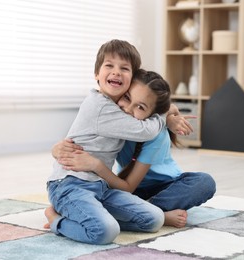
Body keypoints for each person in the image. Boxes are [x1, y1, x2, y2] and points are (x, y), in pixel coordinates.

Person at [45, 40, 169, 245]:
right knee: (104, 232)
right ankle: (55, 219)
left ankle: (89, 215)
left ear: (133, 79)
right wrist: (165, 111)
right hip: (69, 185)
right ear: (96, 74)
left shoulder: (117, 108)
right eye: (109, 65)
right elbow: (145, 130)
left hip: (100, 186)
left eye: (124, 68)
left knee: (154, 219)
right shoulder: (101, 107)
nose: (116, 72)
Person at [52, 76, 216, 229]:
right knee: (97, 191)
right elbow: (85, 139)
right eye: (127, 98)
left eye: (140, 106)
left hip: (165, 186)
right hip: (127, 186)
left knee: (204, 182)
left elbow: (128, 187)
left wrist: (167, 115)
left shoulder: (153, 133)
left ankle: (149, 213)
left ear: (153, 114)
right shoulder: (114, 122)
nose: (128, 110)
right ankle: (151, 215)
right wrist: (58, 149)